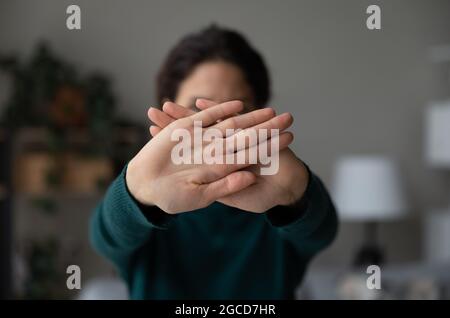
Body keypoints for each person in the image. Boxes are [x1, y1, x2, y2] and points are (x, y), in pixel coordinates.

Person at [90, 25, 338, 299]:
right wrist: (136, 191)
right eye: (198, 110)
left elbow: (322, 231)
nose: (220, 129)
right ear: (168, 113)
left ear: (259, 115)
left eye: (237, 110)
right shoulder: (150, 207)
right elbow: (106, 237)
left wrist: (297, 192)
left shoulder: (277, 200)